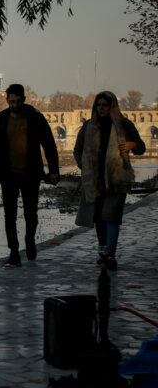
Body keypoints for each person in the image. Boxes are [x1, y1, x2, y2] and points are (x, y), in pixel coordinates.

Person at [73, 91, 145, 270]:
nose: (101, 108)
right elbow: (77, 150)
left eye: (105, 105)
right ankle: (103, 253)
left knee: (111, 217)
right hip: (95, 180)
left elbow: (141, 147)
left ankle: (110, 255)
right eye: (99, 105)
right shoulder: (89, 126)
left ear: (112, 106)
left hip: (116, 179)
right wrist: (85, 167)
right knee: (99, 219)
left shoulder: (123, 125)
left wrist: (132, 145)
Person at [0, 84, 60, 267]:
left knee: (31, 214)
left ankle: (29, 240)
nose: (15, 105)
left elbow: (49, 144)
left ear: (24, 99)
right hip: (8, 175)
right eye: (12, 102)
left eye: (18, 101)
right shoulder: (2, 120)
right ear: (7, 100)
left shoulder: (35, 118)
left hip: (30, 173)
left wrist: (54, 171)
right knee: (10, 216)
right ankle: (14, 252)